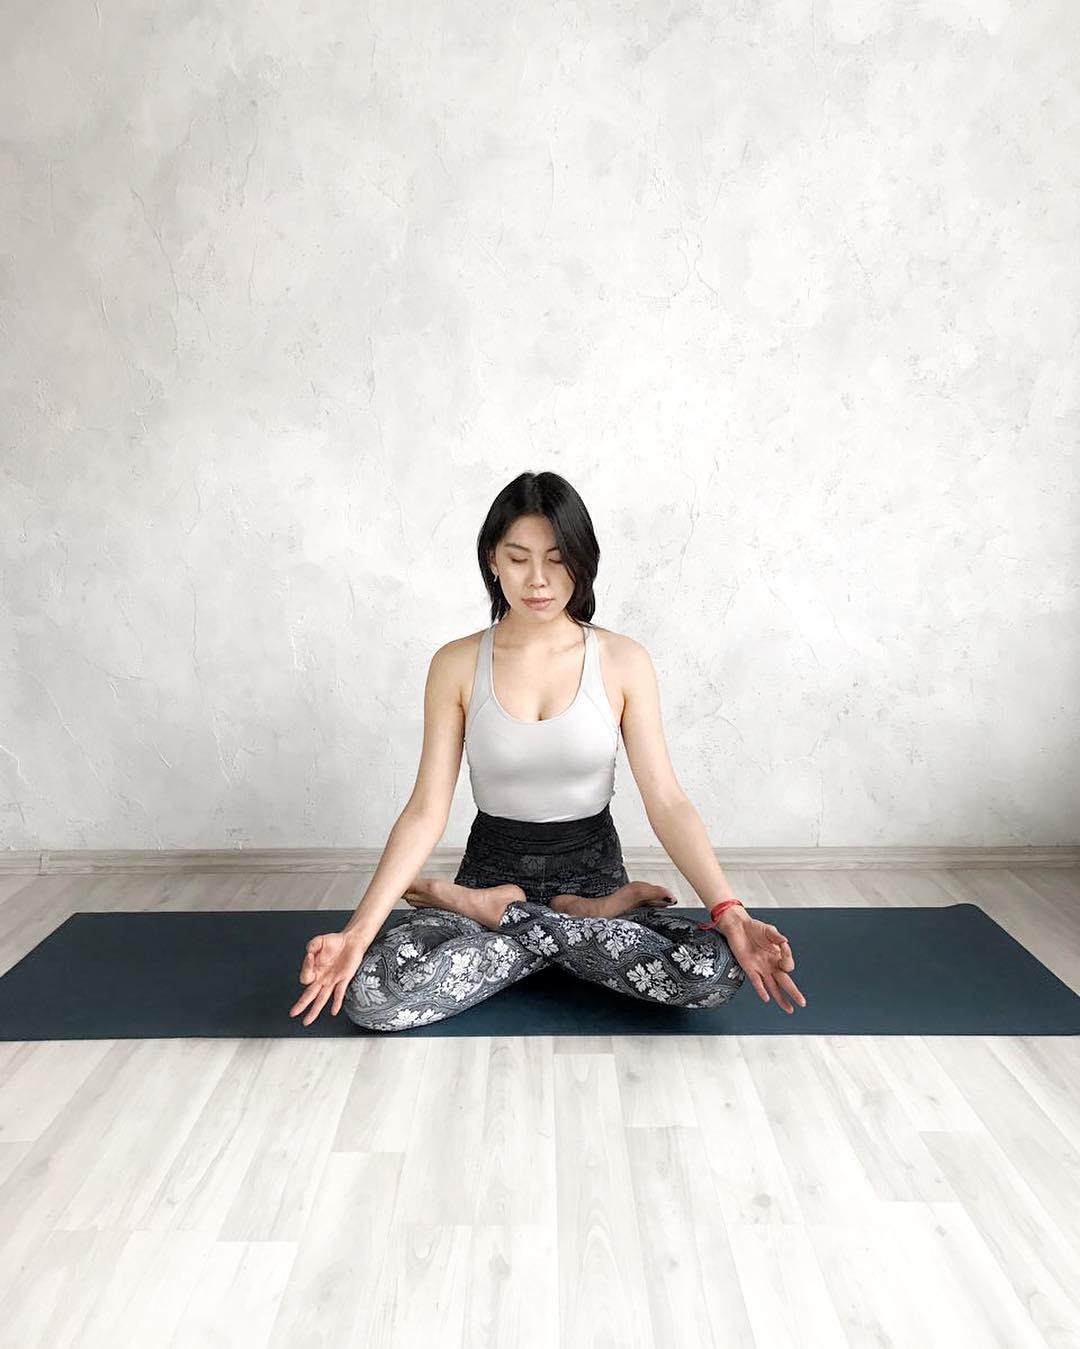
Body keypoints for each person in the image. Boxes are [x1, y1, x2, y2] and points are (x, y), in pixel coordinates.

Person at [289, 471, 806, 1031]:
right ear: (492, 560)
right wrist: (358, 931)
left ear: (581, 562)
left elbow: (668, 802)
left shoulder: (623, 660)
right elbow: (425, 809)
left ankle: (507, 918)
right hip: (495, 870)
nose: (538, 580)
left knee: (717, 973)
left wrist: (731, 913)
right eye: (518, 558)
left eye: (557, 559)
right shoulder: (456, 664)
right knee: (370, 995)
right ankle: (560, 925)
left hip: (592, 879)